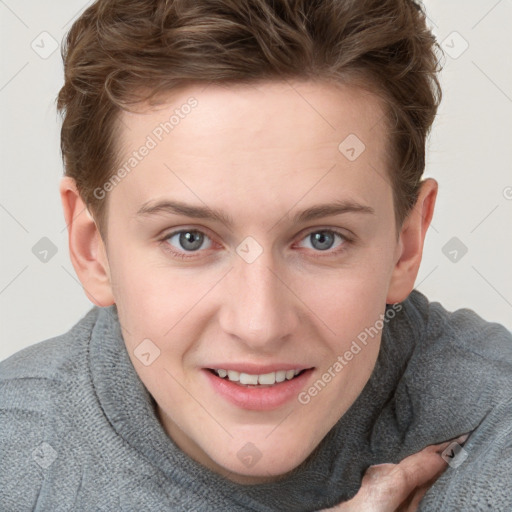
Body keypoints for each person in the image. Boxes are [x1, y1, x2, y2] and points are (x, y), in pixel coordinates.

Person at [1, 0, 511, 510]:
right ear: (93, 251)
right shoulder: (17, 454)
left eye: (322, 238)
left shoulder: (494, 427)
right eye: (190, 239)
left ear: (407, 245)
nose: (259, 325)